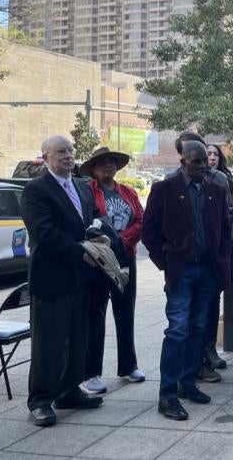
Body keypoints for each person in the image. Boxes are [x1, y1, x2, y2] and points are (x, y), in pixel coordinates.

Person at [142, 141, 232, 421]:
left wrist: (221, 261)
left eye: (205, 160)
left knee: (198, 328)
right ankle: (167, 395)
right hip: (181, 271)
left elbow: (225, 230)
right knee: (178, 329)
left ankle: (188, 383)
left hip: (207, 270)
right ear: (183, 162)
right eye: (196, 162)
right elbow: (149, 232)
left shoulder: (216, 190)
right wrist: (166, 262)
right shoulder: (165, 189)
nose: (203, 166)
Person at [21, 135, 104, 427]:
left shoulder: (81, 187)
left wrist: (100, 238)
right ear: (46, 158)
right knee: (49, 342)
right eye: (60, 152)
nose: (68, 156)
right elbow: (44, 232)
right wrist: (82, 253)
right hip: (52, 276)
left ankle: (69, 391)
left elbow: (93, 219)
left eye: (70, 150)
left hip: (81, 278)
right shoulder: (36, 190)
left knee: (78, 337)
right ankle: (40, 401)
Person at [79, 147, 145, 394]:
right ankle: (90, 372)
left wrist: (123, 240)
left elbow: (140, 220)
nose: (108, 166)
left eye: (111, 162)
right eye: (102, 163)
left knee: (126, 312)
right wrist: (107, 242)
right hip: (98, 260)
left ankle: (129, 365)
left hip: (126, 257)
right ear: (93, 170)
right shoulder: (87, 192)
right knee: (95, 315)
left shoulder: (128, 192)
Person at [200, 143, 233, 380]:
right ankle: (199, 356)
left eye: (215, 154)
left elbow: (231, 212)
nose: (212, 158)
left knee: (214, 301)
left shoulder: (223, 180)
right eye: (208, 154)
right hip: (197, 252)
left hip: (219, 250)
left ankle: (210, 347)